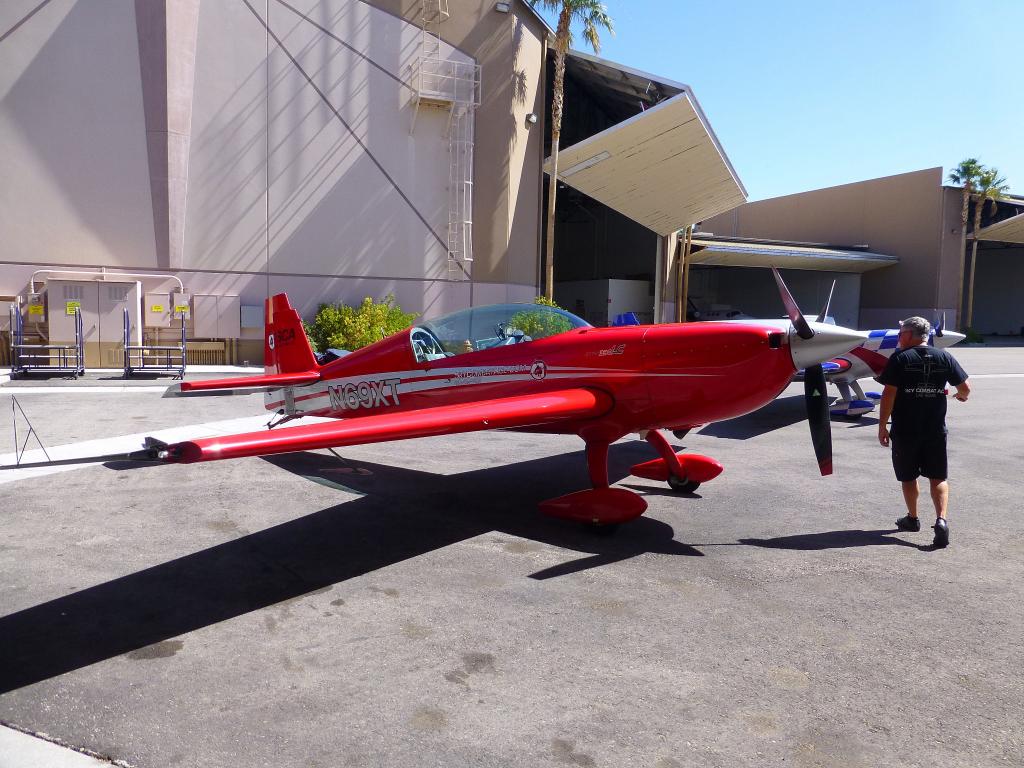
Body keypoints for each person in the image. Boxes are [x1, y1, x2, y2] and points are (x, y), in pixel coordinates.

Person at [877, 316, 970, 548]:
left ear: (909, 335)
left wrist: (882, 425)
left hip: (906, 429)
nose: (898, 337)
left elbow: (888, 394)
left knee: (908, 476)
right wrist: (961, 396)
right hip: (935, 429)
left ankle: (913, 518)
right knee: (938, 476)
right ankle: (941, 520)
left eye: (900, 334)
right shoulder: (944, 356)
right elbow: (965, 389)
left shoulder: (899, 358)